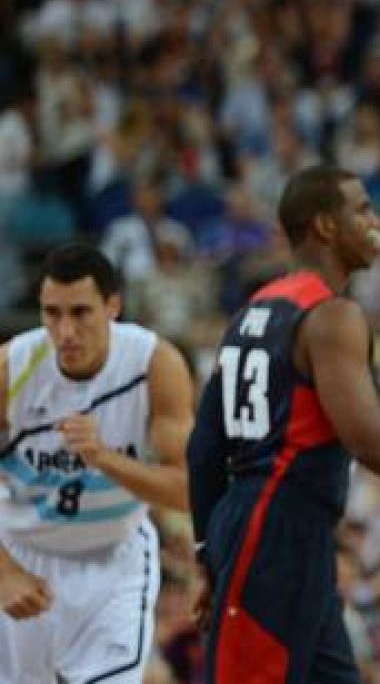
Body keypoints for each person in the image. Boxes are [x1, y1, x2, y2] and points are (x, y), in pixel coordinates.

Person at [186, 165, 380, 684]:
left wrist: (209, 553)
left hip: (270, 531)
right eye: (362, 210)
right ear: (325, 226)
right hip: (276, 529)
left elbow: (204, 449)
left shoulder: (249, 313)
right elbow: (367, 439)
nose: (376, 222)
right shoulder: (333, 317)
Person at [0, 242, 194, 683]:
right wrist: (4, 572)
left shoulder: (154, 365)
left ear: (113, 306)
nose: (65, 330)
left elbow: (186, 489)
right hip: (22, 554)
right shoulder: (13, 367)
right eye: (52, 313)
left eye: (80, 313)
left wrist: (104, 458)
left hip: (112, 563)